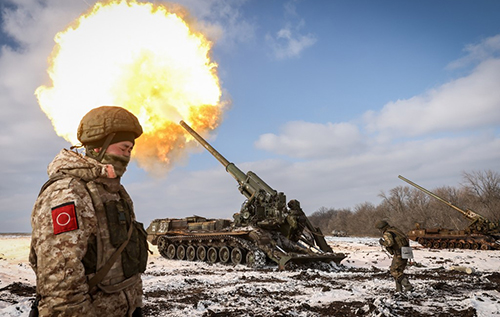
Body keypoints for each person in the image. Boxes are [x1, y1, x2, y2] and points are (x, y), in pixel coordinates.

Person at [29, 106, 149, 317]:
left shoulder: (114, 192)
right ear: (98, 147)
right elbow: (61, 284)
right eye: (123, 148)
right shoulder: (68, 192)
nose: (128, 156)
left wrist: (135, 305)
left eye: (130, 150)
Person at [375, 220, 413, 293]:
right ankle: (399, 290)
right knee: (399, 271)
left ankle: (408, 286)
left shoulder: (387, 233)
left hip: (399, 253)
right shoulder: (395, 230)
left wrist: (383, 243)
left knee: (394, 271)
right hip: (406, 252)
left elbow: (390, 243)